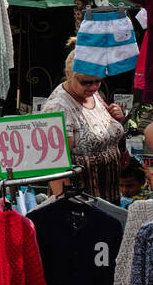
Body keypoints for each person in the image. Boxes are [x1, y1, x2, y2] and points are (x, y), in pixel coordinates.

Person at [42, 43, 127, 202]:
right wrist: (66, 204)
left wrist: (117, 121)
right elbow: (56, 166)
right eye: (86, 82)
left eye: (98, 81)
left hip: (106, 196)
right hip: (82, 202)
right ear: (69, 74)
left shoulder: (93, 94)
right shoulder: (58, 107)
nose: (94, 86)